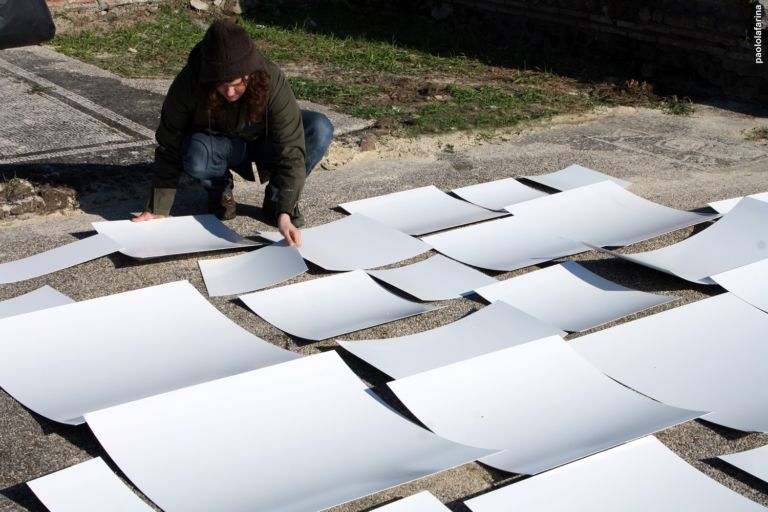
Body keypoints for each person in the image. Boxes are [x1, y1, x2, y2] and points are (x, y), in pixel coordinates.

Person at [132, 19, 333, 246]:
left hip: (266, 141)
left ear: (250, 73)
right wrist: (158, 209)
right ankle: (220, 193)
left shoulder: (271, 77)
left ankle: (276, 202)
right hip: (219, 146)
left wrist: (284, 213)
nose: (229, 91)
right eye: (220, 84)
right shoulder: (189, 82)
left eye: (237, 83)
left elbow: (292, 147)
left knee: (319, 128)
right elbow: (170, 143)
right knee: (196, 153)